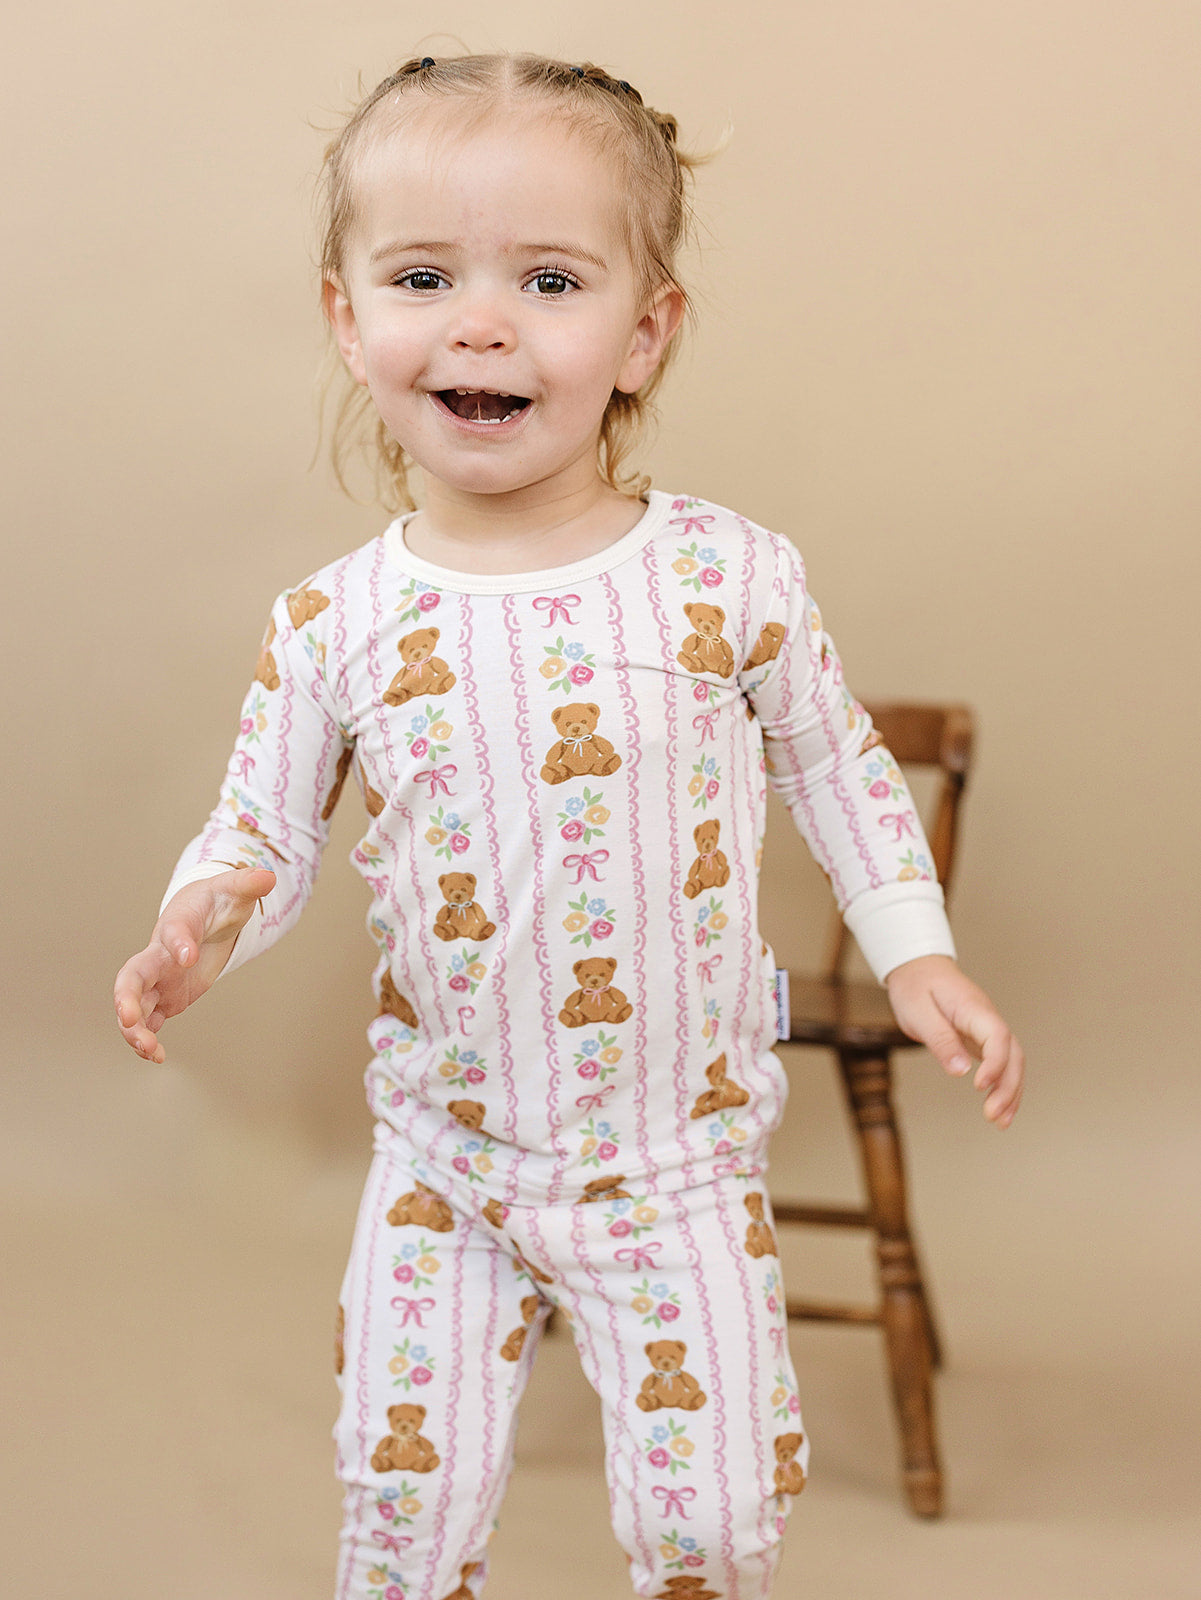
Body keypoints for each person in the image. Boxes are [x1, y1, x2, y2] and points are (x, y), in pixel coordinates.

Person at [113, 52, 1024, 1600]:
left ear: (643, 333)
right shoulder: (335, 622)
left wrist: (915, 951)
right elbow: (261, 826)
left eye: (547, 279)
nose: (482, 324)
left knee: (714, 1524)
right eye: (422, 277)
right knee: (399, 1514)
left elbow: (836, 766)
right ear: (346, 317)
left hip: (675, 1161)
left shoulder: (724, 580)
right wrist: (203, 917)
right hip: (443, 1160)